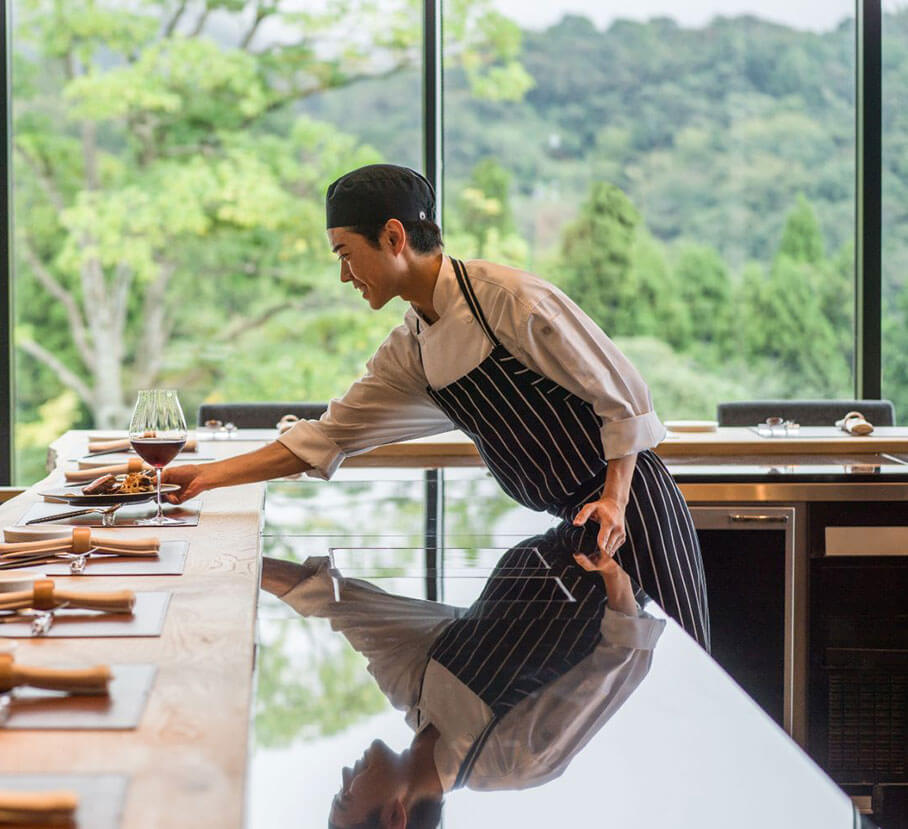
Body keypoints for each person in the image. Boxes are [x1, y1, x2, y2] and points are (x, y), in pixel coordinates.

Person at [166, 163, 710, 648]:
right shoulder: (413, 347)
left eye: (345, 254)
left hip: (635, 515)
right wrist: (203, 479)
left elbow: (629, 398)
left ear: (394, 236)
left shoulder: (509, 299)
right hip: (575, 527)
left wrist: (615, 497)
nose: (343, 275)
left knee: (684, 693)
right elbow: (328, 437)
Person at [261, 532, 663, 828]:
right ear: (394, 815)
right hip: (643, 555)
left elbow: (332, 601)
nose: (346, 775)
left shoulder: (412, 684)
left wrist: (231, 567)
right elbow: (625, 655)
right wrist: (612, 570)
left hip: (584, 515)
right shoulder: (511, 761)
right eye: (345, 798)